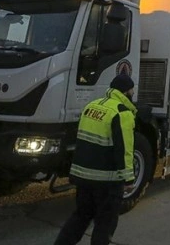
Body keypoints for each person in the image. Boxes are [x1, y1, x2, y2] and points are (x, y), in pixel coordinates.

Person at [55, 74, 137, 245]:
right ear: (126, 91)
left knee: (81, 216)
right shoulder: (122, 113)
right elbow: (124, 150)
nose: (133, 92)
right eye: (131, 90)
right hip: (106, 181)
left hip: (83, 177)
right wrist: (128, 178)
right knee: (105, 223)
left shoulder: (91, 106)